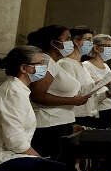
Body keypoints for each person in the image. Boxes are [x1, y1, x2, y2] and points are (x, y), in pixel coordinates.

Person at [24, 25, 88, 159]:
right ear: (54, 42)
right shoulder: (46, 61)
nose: (71, 43)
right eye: (67, 39)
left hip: (60, 123)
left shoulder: (53, 62)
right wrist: (73, 101)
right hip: (49, 125)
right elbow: (38, 95)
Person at [82, 34, 111, 128]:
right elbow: (89, 92)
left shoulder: (106, 66)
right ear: (96, 48)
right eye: (108, 46)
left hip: (109, 108)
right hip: (97, 110)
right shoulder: (86, 65)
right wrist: (104, 83)